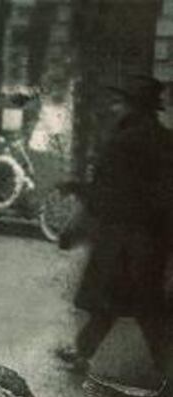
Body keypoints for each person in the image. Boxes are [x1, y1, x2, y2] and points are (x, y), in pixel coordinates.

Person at [55, 76, 173, 376]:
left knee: (127, 305)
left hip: (123, 239)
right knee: (135, 304)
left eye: (120, 102)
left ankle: (167, 368)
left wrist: (77, 190)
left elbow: (106, 193)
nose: (114, 107)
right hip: (153, 239)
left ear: (133, 107)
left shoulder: (122, 143)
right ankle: (83, 353)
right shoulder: (165, 140)